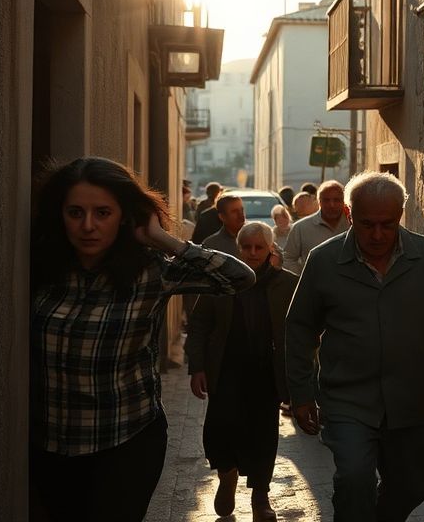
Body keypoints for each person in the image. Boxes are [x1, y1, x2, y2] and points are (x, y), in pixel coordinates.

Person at [28, 157, 254, 522]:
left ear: (124, 216)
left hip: (127, 441)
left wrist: (165, 240)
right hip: (51, 446)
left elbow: (239, 278)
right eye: (75, 212)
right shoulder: (39, 268)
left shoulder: (151, 271)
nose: (88, 226)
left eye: (103, 212)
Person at [285, 172, 424, 521]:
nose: (377, 235)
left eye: (387, 225)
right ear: (350, 215)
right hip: (348, 399)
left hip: (412, 401)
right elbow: (299, 329)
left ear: (400, 216)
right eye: (367, 224)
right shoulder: (324, 261)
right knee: (354, 479)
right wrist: (301, 393)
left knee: (412, 485)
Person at [185, 222, 296, 520]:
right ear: (238, 249)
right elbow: (198, 325)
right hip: (226, 371)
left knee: (263, 436)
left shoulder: (287, 284)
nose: (252, 253)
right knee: (220, 430)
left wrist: (299, 380)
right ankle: (227, 475)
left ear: (270, 249)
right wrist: (196, 367)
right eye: (247, 247)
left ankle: (261, 497)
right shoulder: (220, 282)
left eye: (259, 247)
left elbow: (301, 334)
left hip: (265, 375)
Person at [281, 180, 349, 274]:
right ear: (319, 202)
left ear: (344, 201)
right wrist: (304, 275)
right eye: (326, 200)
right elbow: (287, 258)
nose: (331, 205)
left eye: (336, 200)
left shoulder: (354, 225)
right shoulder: (301, 228)